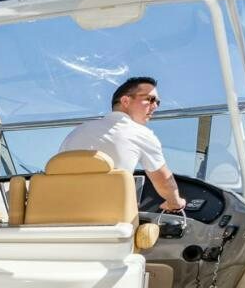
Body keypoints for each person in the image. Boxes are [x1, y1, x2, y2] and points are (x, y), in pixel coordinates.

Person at [59, 76, 186, 212]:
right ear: (125, 101)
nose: (155, 106)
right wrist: (176, 203)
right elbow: (164, 182)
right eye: (150, 99)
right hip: (107, 219)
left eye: (157, 102)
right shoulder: (140, 134)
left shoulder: (78, 131)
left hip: (58, 215)